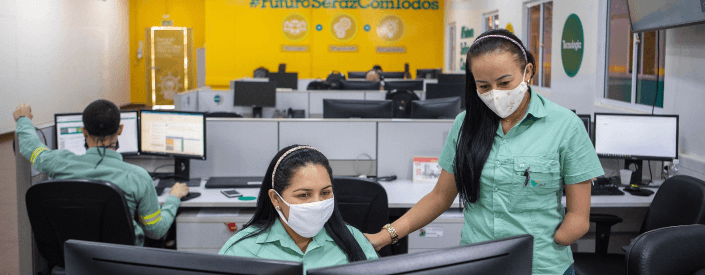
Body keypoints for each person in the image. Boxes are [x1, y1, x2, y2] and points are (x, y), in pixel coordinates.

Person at [365, 29, 603, 275]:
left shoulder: (565, 125)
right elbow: (439, 197)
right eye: (484, 86)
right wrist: (385, 236)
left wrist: (557, 241)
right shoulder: (466, 124)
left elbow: (578, 215)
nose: (496, 94)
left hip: (541, 266)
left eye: (504, 83)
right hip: (478, 263)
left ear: (528, 72)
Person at [13, 100, 189, 246]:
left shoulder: (58, 163)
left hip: (72, 259)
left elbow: (33, 149)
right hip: (120, 264)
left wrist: (23, 119)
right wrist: (173, 198)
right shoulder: (138, 177)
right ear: (120, 129)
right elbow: (155, 231)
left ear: (83, 132)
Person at [219, 145, 378, 273]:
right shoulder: (241, 250)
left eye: (325, 193)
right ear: (276, 199)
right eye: (304, 195)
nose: (318, 203)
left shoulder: (352, 240)